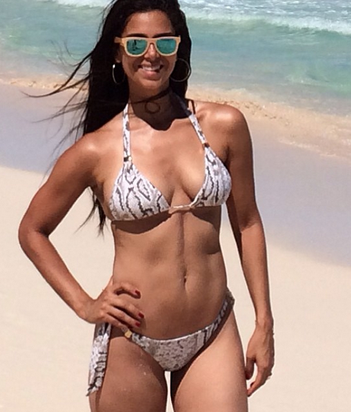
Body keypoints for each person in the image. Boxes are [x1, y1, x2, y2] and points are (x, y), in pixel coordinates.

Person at [18, 0, 274, 411]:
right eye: (137, 44)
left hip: (213, 331)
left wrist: (264, 322)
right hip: (132, 338)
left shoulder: (224, 125)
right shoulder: (97, 149)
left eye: (164, 42)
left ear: (178, 47)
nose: (151, 54)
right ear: (118, 52)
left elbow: (247, 223)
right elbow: (32, 230)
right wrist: (85, 304)